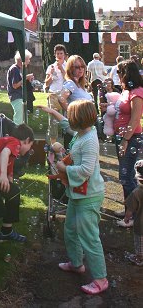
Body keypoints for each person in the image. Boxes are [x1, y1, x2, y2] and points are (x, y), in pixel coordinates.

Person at [39, 100, 108, 295]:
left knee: (89, 237)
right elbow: (66, 125)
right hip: (77, 194)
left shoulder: (89, 141)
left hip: (89, 196)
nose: (69, 119)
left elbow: (86, 170)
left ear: (79, 119)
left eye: (71, 115)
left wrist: (64, 168)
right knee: (70, 230)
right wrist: (52, 111)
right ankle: (77, 264)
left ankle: (101, 279)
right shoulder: (82, 132)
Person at [101, 59, 143, 227]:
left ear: (126, 73)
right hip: (123, 138)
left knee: (127, 177)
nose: (117, 76)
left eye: (119, 72)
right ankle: (128, 209)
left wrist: (125, 140)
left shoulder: (137, 92)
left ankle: (133, 215)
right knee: (124, 175)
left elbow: (135, 118)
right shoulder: (126, 90)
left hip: (131, 139)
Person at [0, 99, 29, 177]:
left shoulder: (1, 122)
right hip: (12, 152)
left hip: (18, 155)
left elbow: (1, 145)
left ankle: (13, 171)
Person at [44, 44, 67, 144]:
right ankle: (53, 145)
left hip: (65, 95)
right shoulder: (51, 67)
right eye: (57, 53)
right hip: (53, 94)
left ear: (65, 55)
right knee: (53, 121)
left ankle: (67, 144)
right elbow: (46, 83)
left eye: (61, 53)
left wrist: (61, 69)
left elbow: (69, 80)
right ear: (55, 55)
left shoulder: (68, 65)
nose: (59, 55)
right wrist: (51, 75)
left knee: (67, 119)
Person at [124, 160, 143, 266]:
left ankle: (139, 258)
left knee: (140, 243)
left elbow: (130, 209)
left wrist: (126, 219)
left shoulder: (136, 192)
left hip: (140, 225)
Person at [6, 50, 33, 125]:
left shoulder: (17, 69)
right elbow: (15, 85)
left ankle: (20, 134)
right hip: (16, 96)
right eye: (28, 59)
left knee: (22, 118)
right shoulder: (15, 69)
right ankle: (17, 134)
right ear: (22, 60)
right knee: (19, 119)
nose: (29, 61)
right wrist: (26, 78)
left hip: (18, 96)